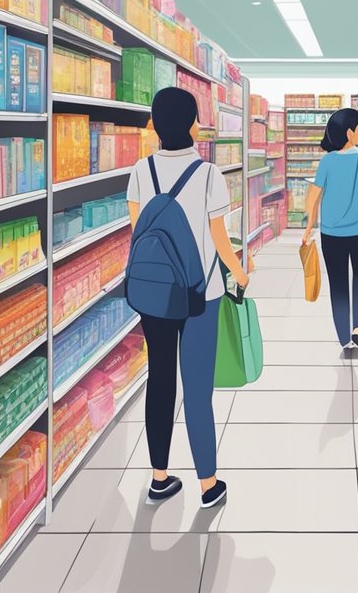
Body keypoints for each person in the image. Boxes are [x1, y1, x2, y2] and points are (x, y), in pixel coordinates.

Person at [127, 87, 248, 508]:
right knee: (197, 389)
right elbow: (219, 238)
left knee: (159, 381)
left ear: (154, 126)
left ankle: (159, 477)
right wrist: (240, 273)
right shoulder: (210, 175)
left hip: (154, 294)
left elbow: (137, 233)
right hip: (202, 295)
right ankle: (207, 483)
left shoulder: (141, 171)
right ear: (194, 126)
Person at [302, 108, 358, 353]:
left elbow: (312, 199)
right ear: (350, 132)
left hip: (331, 233)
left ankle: (343, 338)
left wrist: (308, 228)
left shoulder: (326, 161)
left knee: (337, 283)